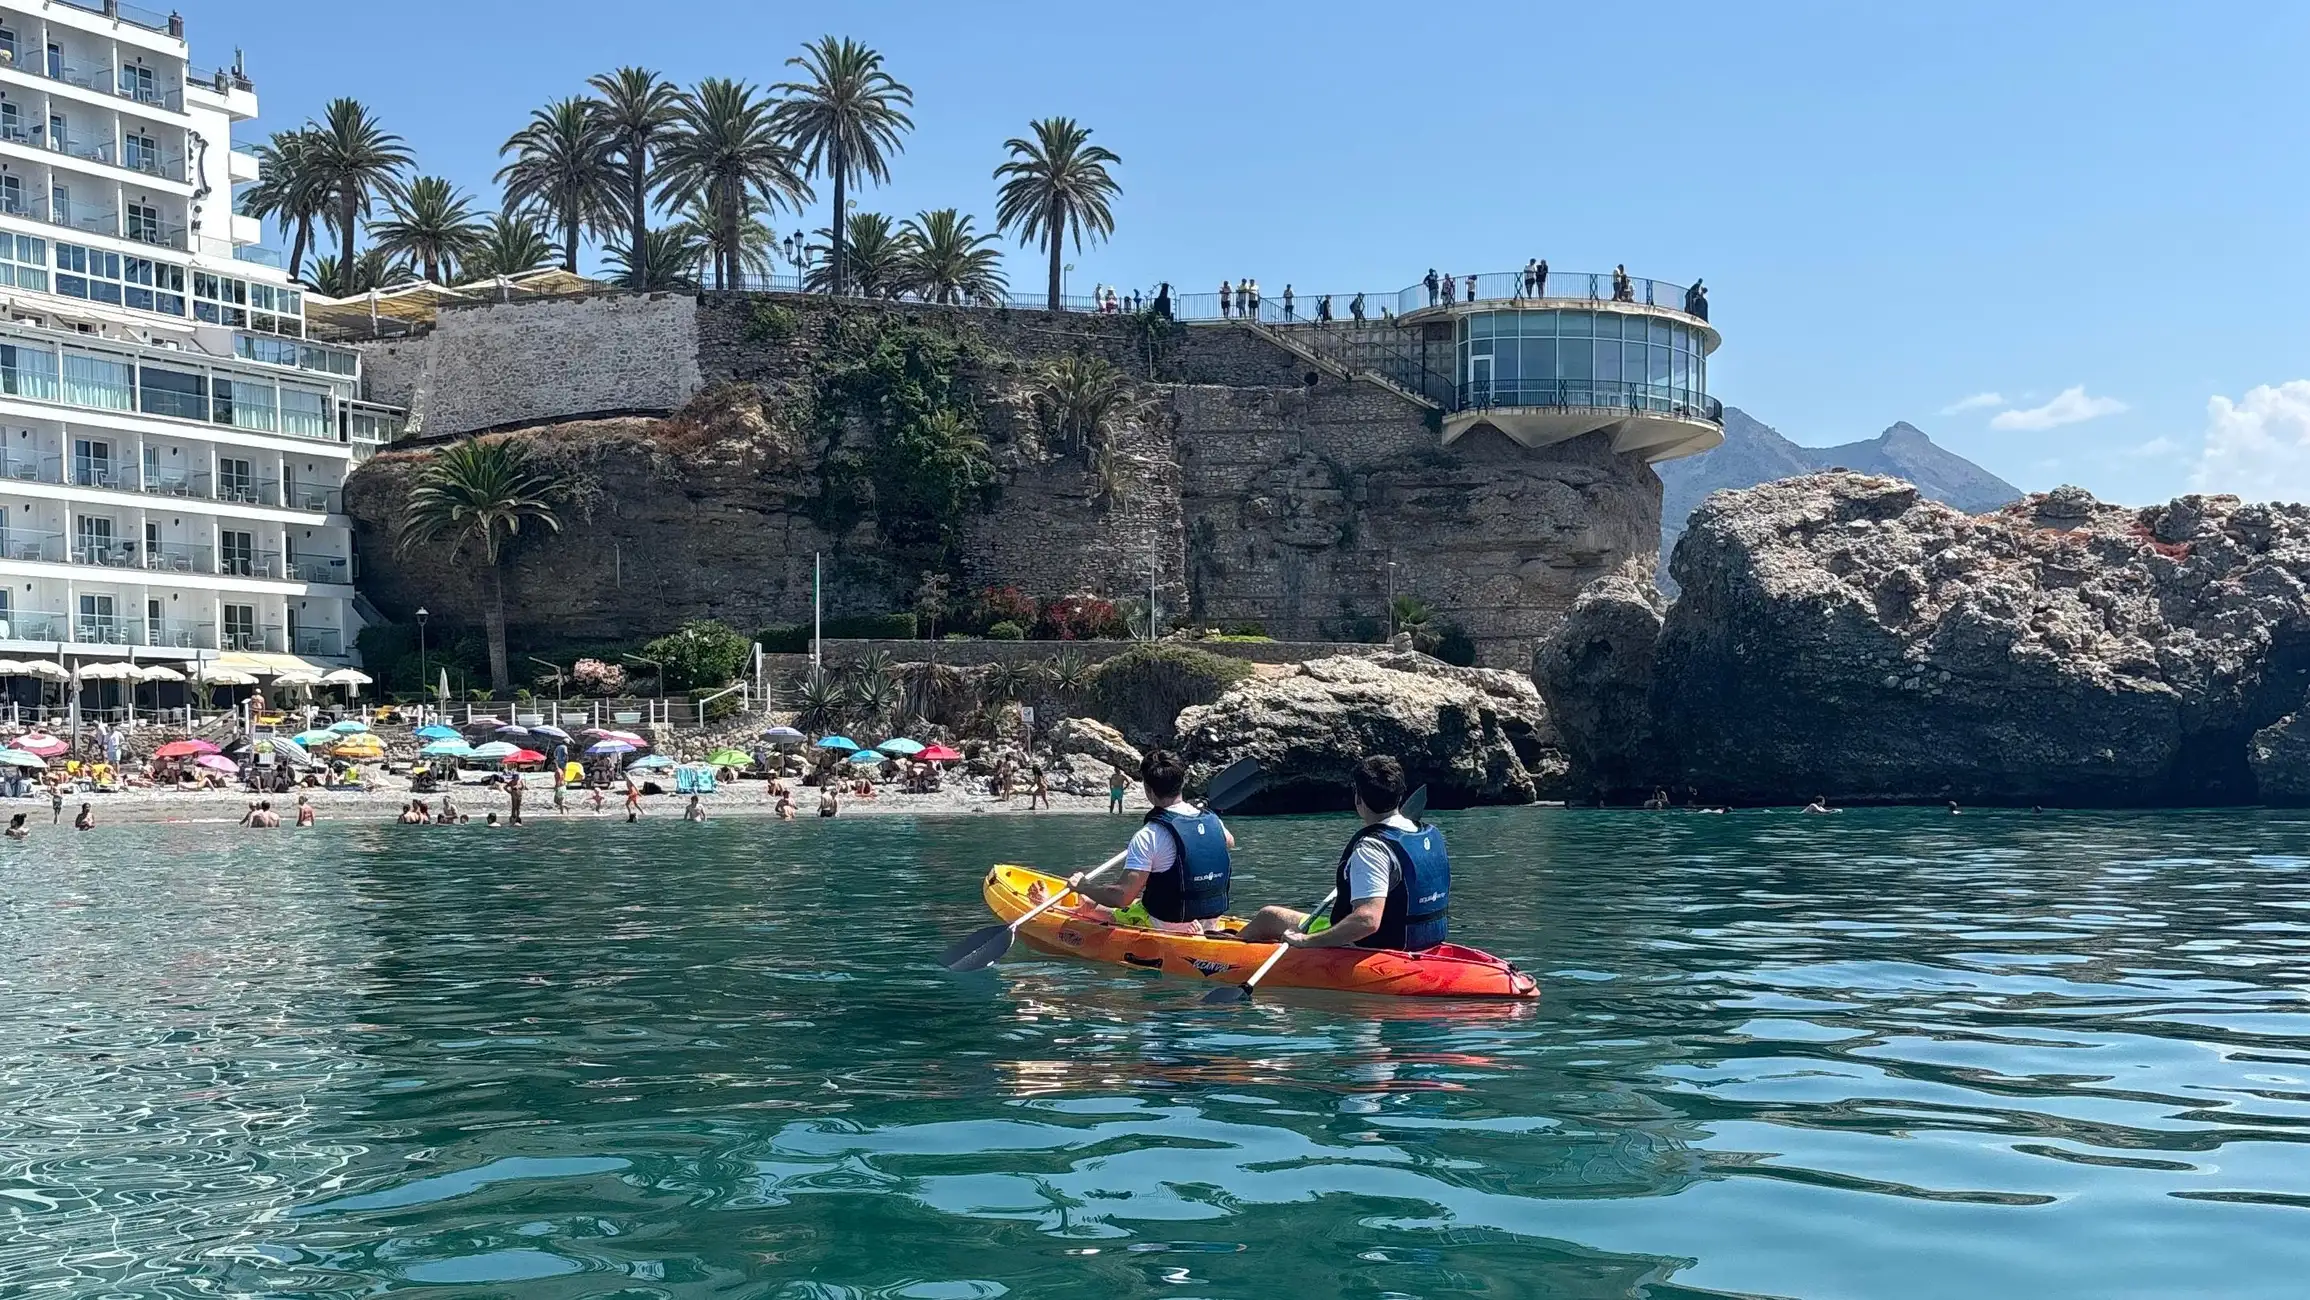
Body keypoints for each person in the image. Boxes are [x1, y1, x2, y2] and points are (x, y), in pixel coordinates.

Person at [1238, 755, 1448, 953]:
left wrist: (1306, 942)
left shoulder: (1371, 849)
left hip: (1374, 948)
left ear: (1358, 798)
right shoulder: (1431, 834)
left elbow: (1366, 921)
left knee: (1268, 916)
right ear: (1400, 794)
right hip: (1425, 941)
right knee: (1276, 917)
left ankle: (1220, 958)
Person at [1047, 750, 1235, 935]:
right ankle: (1087, 903)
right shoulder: (1213, 821)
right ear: (1183, 782)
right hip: (1211, 919)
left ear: (1148, 790)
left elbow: (1122, 897)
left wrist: (1084, 886)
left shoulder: (1149, 835)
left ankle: (1081, 907)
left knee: (1108, 908)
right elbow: (1229, 842)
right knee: (1142, 899)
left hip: (1164, 923)